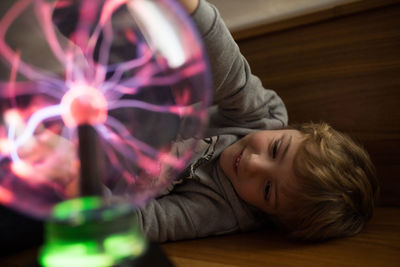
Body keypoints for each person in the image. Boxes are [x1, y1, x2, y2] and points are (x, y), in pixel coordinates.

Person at [133, 0, 379, 243]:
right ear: (290, 129)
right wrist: (192, 9)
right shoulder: (265, 117)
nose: (253, 163)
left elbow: (148, 223)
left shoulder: (223, 211)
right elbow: (228, 73)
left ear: (268, 215)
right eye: (275, 149)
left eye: (267, 190)